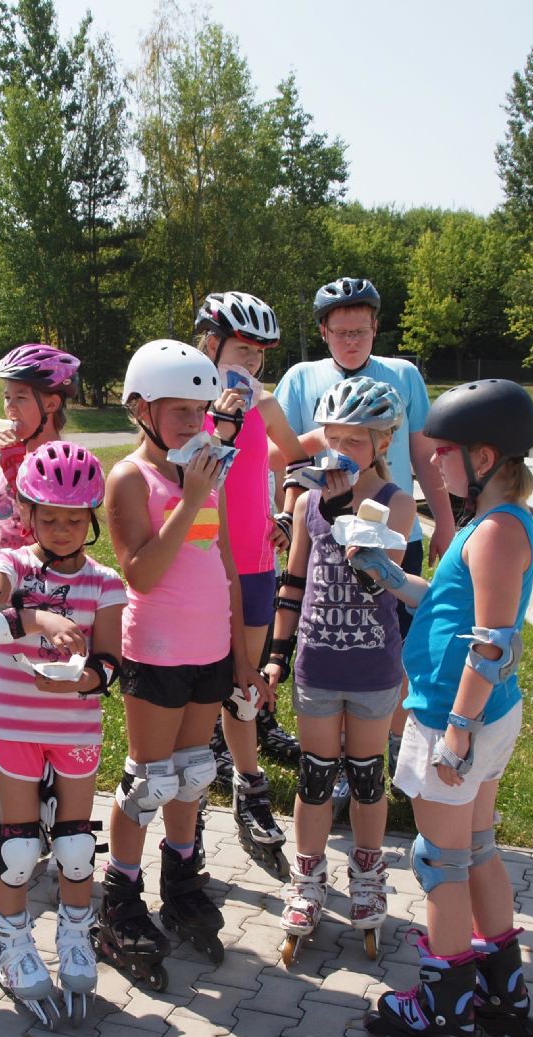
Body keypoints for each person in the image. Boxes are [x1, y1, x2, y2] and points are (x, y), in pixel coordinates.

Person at [356, 379, 533, 1037]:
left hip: (457, 716)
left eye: (444, 452)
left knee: (439, 862)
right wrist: (390, 576)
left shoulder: (498, 532)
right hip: (476, 715)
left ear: (484, 456)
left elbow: (491, 643)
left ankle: (443, 1007)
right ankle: (499, 988)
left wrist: (457, 732)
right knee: (475, 849)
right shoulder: (490, 523)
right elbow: (446, 603)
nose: (433, 462)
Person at [98, 339, 267, 989]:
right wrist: (192, 496)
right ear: (141, 409)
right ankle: (120, 898)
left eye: (200, 412)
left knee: (193, 774)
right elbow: (140, 573)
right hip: (158, 652)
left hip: (210, 651)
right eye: (179, 412)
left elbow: (224, 566)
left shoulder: (202, 470)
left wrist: (242, 657)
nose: (194, 423)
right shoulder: (130, 479)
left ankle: (181, 877)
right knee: (149, 781)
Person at [0, 441, 126, 1025]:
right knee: (19, 845)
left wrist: (83, 681)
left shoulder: (105, 582)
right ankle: (12, 943)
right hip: (15, 725)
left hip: (75, 724)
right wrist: (39, 617)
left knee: (76, 846)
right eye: (49, 517)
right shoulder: (13, 566)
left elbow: (111, 663)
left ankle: (76, 937)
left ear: (91, 519)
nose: (61, 529)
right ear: (28, 513)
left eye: (74, 519)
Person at [276, 278, 457, 790]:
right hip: (325, 523)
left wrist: (443, 521)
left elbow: (423, 454)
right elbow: (283, 454)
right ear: (323, 331)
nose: (351, 341)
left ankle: (387, 741)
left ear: (376, 328)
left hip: (395, 523)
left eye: (360, 330)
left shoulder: (403, 374)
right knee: (335, 632)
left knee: (395, 640)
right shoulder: (301, 378)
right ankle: (336, 762)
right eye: (341, 332)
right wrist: (296, 504)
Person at [266, 378, 413, 964]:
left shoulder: (397, 503)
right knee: (315, 776)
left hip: (373, 664)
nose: (343, 450)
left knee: (368, 775)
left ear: (383, 442)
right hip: (317, 661)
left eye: (357, 440)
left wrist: (344, 512)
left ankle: (369, 874)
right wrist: (276, 656)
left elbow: (379, 580)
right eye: (334, 438)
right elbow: (294, 581)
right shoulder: (307, 503)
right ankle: (306, 878)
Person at [192, 292, 315, 882]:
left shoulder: (263, 401)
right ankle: (188, 819)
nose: (252, 363)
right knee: (196, 691)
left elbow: (296, 457)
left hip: (256, 563)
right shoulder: (189, 399)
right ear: (210, 344)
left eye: (260, 354)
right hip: (199, 562)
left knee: (243, 688)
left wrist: (286, 512)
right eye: (243, 350)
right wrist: (219, 421)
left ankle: (248, 789)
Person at [0, 344, 79, 559]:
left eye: (21, 398)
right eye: (7, 397)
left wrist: (17, 469)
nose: (10, 407)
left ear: (51, 404)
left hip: (36, 578)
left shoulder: (67, 468)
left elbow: (61, 539)